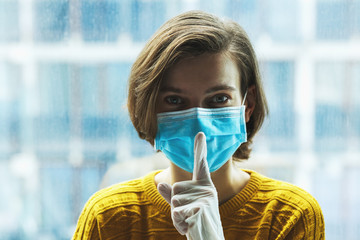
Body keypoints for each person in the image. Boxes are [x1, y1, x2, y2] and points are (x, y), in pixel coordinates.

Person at [72, 10, 325, 240]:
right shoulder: (108, 218)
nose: (198, 121)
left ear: (248, 105)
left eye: (219, 99)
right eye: (174, 100)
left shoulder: (290, 216)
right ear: (150, 108)